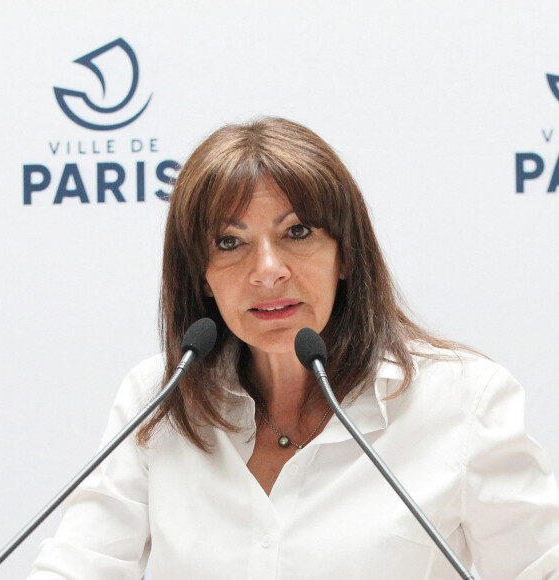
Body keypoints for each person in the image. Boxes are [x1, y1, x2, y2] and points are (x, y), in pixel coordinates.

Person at [29, 117, 559, 579]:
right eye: (229, 243)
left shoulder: (461, 401)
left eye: (298, 232)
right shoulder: (161, 399)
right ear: (202, 277)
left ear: (345, 256)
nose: (267, 271)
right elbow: (80, 564)